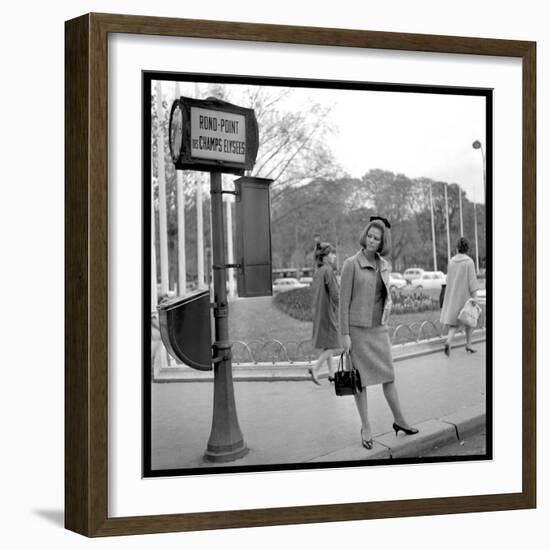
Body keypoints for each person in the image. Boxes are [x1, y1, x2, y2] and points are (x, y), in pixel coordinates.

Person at [339, 217, 418, 450]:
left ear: (382, 242)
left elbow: (384, 295)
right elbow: (343, 304)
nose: (372, 241)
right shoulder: (350, 264)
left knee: (389, 376)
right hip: (357, 331)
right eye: (370, 236)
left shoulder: (385, 264)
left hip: (379, 329)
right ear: (365, 237)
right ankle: (366, 427)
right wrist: (345, 335)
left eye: (377, 238)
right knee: (359, 382)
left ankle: (400, 420)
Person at [440, 237, 480, 356]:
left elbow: (448, 279)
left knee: (454, 324)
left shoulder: (451, 262)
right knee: (469, 320)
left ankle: (449, 341)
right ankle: (468, 344)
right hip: (465, 297)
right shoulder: (469, 262)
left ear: (457, 248)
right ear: (467, 249)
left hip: (453, 296)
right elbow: (472, 281)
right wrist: (475, 297)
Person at [308, 243, 341, 385]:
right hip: (328, 313)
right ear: (325, 257)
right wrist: (343, 306)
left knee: (328, 345)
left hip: (320, 312)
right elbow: (335, 294)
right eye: (332, 254)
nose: (334, 256)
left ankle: (332, 375)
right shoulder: (328, 270)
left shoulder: (319, 271)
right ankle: (316, 368)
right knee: (333, 344)